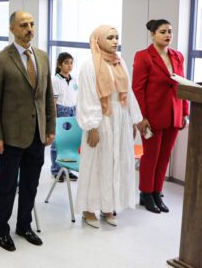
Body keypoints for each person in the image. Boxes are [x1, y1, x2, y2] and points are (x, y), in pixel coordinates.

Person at [0, 11, 55, 252]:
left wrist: (50, 127)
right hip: (10, 136)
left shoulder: (42, 57)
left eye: (32, 24)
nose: (29, 29)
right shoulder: (0, 59)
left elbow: (47, 96)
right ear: (12, 29)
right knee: (6, 186)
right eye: (24, 25)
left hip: (37, 134)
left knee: (30, 184)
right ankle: (1, 229)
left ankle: (24, 225)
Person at [75, 25, 143, 228]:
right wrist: (92, 126)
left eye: (116, 37)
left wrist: (133, 119)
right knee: (96, 164)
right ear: (98, 40)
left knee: (115, 163)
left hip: (119, 119)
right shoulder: (89, 65)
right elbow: (87, 96)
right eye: (110, 37)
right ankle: (88, 208)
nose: (115, 41)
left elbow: (128, 93)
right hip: (101, 120)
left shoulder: (119, 62)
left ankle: (108, 206)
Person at [132, 19, 189, 214]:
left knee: (165, 157)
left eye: (170, 31)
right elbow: (137, 89)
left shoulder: (177, 56)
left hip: (175, 113)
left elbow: (183, 85)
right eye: (163, 32)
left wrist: (185, 112)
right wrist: (141, 117)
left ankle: (157, 191)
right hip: (152, 115)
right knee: (151, 156)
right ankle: (146, 193)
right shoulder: (143, 56)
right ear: (152, 34)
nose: (167, 35)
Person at [50, 52, 78, 182]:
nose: (69, 65)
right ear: (59, 65)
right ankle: (56, 170)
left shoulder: (74, 79)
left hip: (73, 110)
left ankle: (67, 169)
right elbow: (53, 101)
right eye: (66, 63)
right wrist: (55, 118)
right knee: (58, 142)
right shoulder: (55, 80)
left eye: (71, 63)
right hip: (61, 111)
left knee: (69, 142)